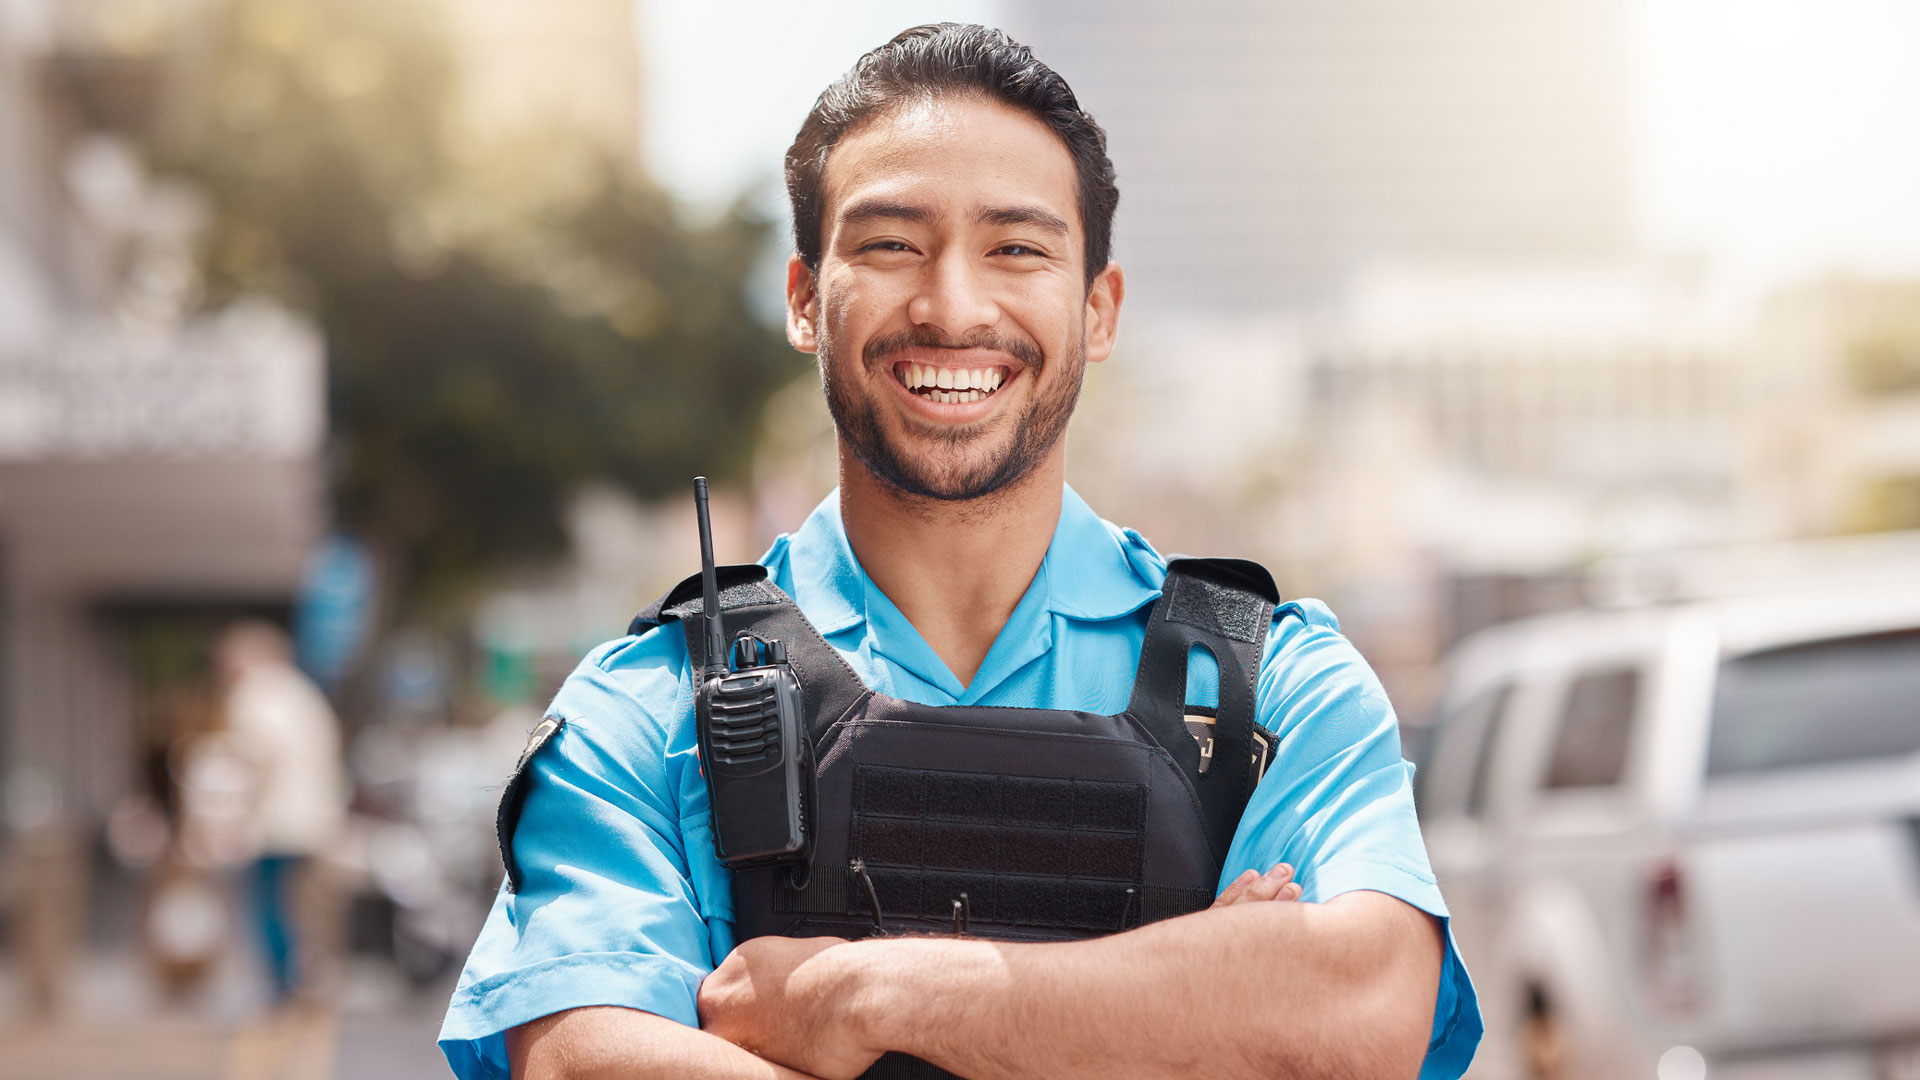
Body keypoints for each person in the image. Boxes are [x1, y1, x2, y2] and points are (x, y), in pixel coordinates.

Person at [440, 24, 1481, 1080]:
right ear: (805, 299)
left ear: (1098, 308)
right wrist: (1184, 1004)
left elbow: (1361, 1010)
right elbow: (581, 1061)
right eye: (891, 244)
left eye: (1017, 249)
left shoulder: (1273, 691)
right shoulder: (647, 708)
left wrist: (864, 995)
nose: (953, 307)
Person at [215, 619, 349, 1006]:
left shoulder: (252, 694)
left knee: (270, 905)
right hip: (317, 817)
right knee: (307, 906)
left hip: (275, 821)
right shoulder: (303, 693)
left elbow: (258, 760)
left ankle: (283, 983)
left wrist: (233, 819)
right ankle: (312, 975)